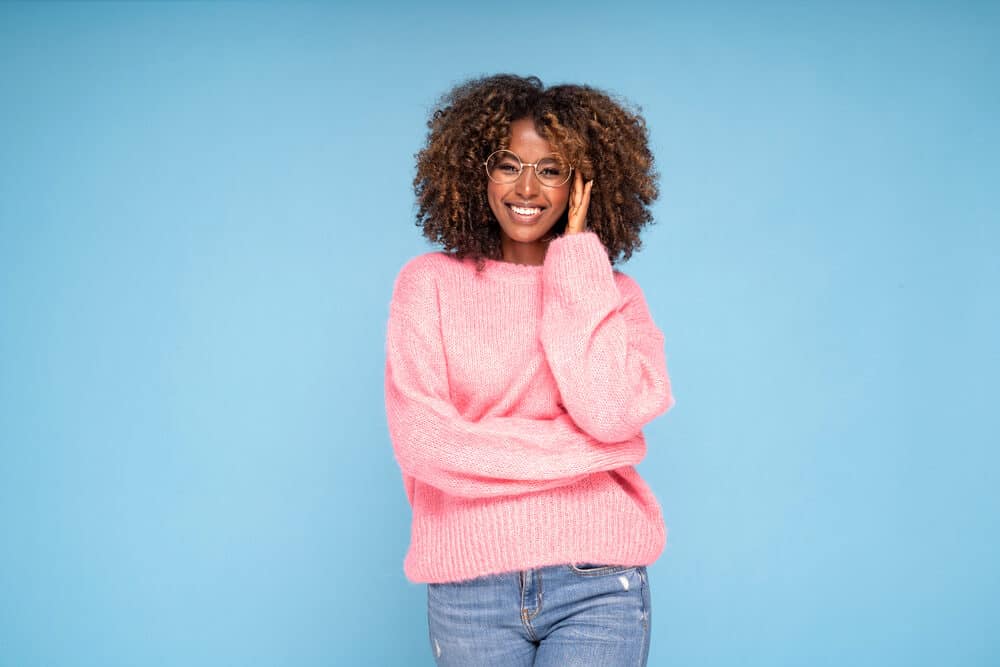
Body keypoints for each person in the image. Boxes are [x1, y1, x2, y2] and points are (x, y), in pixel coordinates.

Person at [384, 73, 676, 666]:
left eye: (550, 170)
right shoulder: (429, 284)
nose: (527, 187)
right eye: (508, 164)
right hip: (469, 584)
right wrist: (593, 454)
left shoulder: (612, 294)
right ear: (475, 172)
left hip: (597, 583)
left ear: (582, 184)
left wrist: (575, 266)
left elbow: (610, 411)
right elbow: (424, 444)